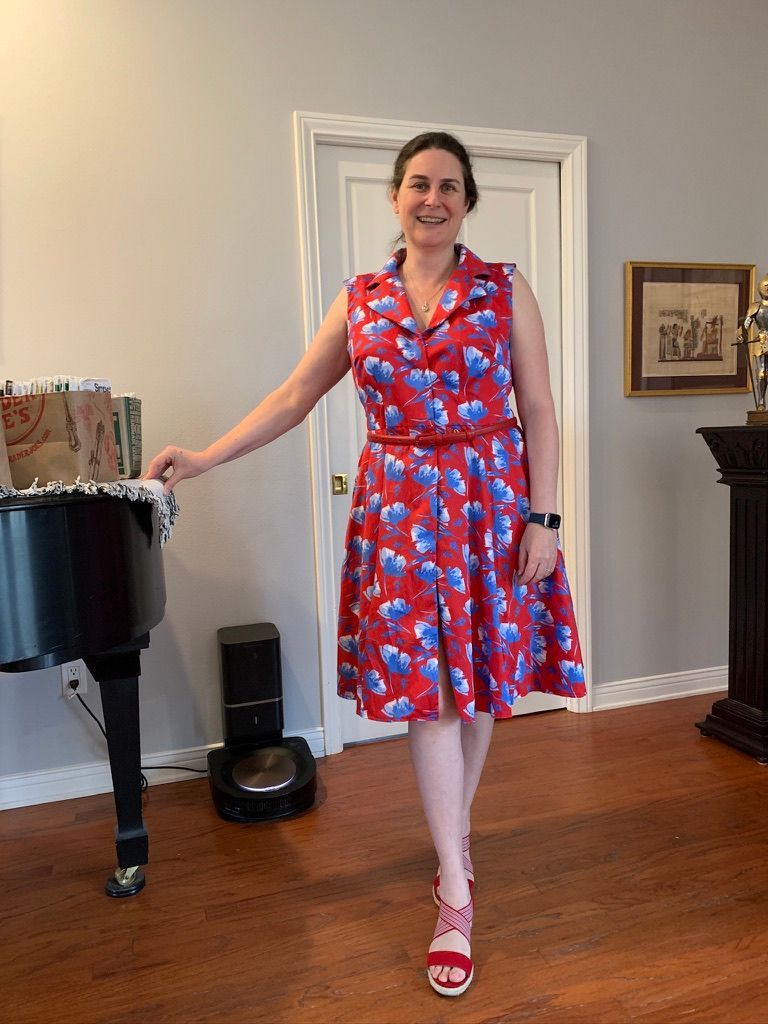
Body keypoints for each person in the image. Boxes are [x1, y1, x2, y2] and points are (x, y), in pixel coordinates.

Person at [145, 131, 586, 998]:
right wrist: (202, 457)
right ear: (395, 198)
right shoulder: (364, 299)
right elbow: (294, 396)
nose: (433, 198)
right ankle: (455, 893)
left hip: (492, 509)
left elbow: (537, 406)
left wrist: (545, 517)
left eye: (450, 187)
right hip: (399, 518)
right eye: (418, 184)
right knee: (429, 697)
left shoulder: (504, 289)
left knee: (483, 689)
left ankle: (452, 837)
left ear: (467, 202)